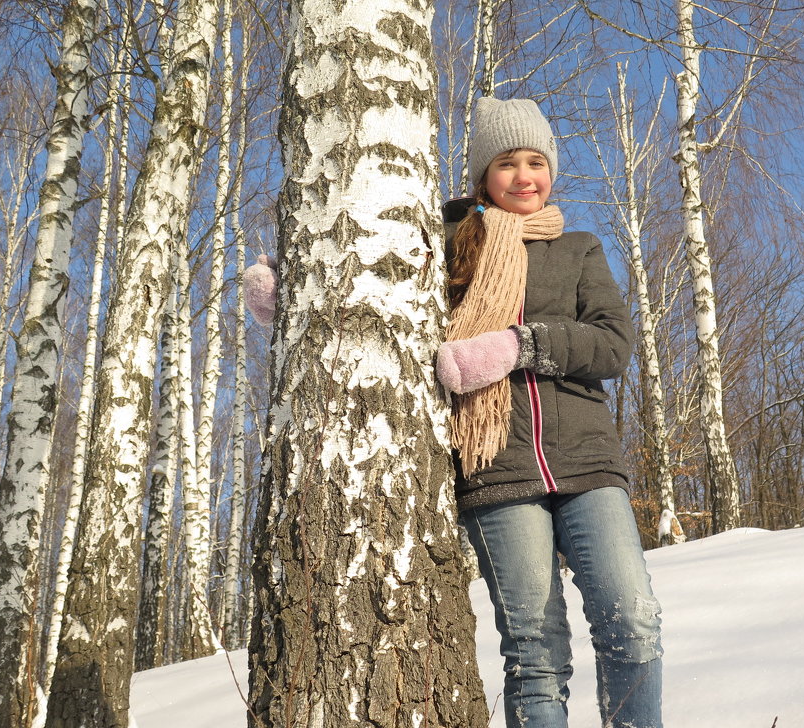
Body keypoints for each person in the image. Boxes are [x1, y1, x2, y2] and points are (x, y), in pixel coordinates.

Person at [245, 96, 662, 728]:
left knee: (632, 620)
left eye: (536, 162)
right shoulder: (449, 246)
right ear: (481, 176)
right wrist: (294, 289)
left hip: (588, 465)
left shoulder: (579, 249)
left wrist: (522, 345)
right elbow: (376, 293)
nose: (525, 176)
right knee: (536, 652)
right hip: (495, 471)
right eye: (507, 163)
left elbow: (613, 344)